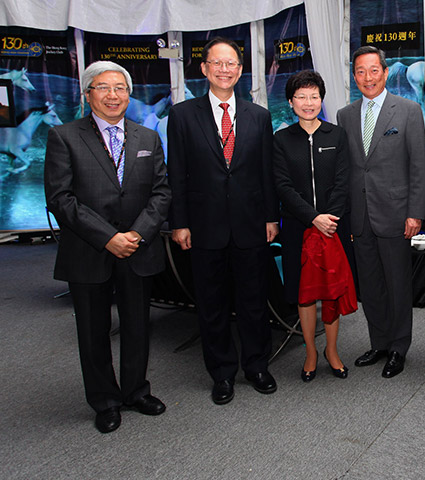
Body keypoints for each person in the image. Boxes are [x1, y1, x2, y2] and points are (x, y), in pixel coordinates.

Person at [44, 61, 171, 433]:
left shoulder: (147, 138)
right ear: (88, 94)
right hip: (89, 250)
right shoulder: (64, 136)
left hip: (138, 248)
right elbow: (61, 199)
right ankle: (105, 400)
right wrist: (108, 237)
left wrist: (137, 234)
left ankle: (136, 391)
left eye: (120, 88)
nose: (113, 95)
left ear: (129, 95)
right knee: (93, 330)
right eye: (103, 88)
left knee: (137, 326)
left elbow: (162, 192)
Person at [167, 37, 279, 404]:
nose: (224, 69)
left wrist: (271, 217)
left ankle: (257, 366)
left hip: (251, 225)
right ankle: (222, 373)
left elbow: (266, 173)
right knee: (212, 304)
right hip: (204, 226)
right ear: (204, 68)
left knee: (253, 300)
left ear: (241, 70)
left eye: (231, 63)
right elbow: (177, 173)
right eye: (217, 63)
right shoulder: (182, 116)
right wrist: (179, 222)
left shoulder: (259, 116)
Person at [336, 46, 425, 378]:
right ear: (354, 76)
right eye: (360, 71)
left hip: (396, 214)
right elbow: (348, 170)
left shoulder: (408, 110)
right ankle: (379, 342)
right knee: (371, 286)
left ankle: (399, 348)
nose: (367, 77)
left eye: (374, 70)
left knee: (398, 284)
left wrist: (416, 214)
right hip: (360, 218)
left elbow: (419, 167)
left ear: (385, 73)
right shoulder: (345, 115)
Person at [273, 70, 357, 382]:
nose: (309, 103)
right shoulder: (281, 139)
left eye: (314, 96)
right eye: (301, 97)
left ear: (321, 100)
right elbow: (282, 186)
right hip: (299, 227)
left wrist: (329, 218)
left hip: (334, 227)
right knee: (304, 294)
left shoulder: (336, 135)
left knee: (331, 292)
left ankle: (332, 351)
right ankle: (310, 351)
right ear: (291, 102)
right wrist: (312, 217)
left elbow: (342, 181)